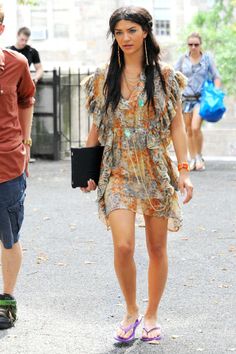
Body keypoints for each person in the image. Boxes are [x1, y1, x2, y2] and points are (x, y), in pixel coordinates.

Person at [81, 6, 193, 344]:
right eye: (118, 32)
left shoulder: (166, 77)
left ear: (145, 31)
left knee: (157, 248)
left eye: (131, 30)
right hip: (117, 168)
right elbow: (96, 127)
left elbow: (177, 127)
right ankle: (130, 311)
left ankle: (152, 314)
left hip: (155, 169)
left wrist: (184, 171)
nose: (125, 38)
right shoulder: (104, 77)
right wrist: (86, 170)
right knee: (124, 246)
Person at [0, 6, 35, 329]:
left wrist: (25, 143)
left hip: (6, 164)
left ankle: (6, 300)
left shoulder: (16, 63)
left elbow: (26, 100)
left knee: (8, 236)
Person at [175, 32, 221, 171]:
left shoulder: (207, 59)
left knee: (195, 127)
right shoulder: (182, 59)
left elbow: (216, 77)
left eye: (196, 44)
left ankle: (199, 157)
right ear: (188, 45)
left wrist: (215, 93)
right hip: (185, 98)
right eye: (191, 44)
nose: (193, 47)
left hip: (201, 99)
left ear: (200, 45)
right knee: (188, 130)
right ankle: (192, 158)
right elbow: (174, 76)